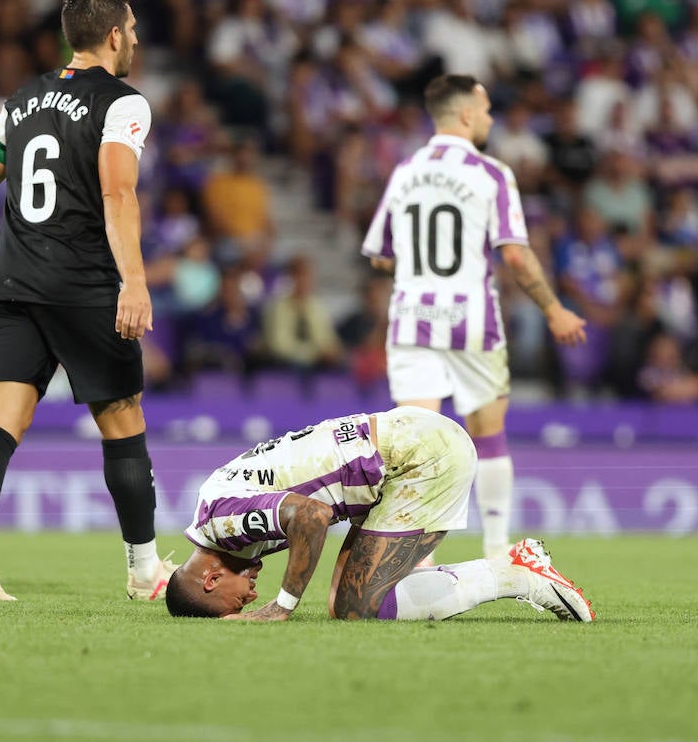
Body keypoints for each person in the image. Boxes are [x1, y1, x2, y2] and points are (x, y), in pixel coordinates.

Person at [0, 0, 174, 602]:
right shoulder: (124, 104)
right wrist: (135, 280)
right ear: (111, 35)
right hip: (83, 284)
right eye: (130, 30)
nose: (134, 39)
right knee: (122, 420)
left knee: (0, 422)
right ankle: (143, 570)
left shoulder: (18, 104)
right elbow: (118, 193)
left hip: (15, 281)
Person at [362, 75, 587, 561]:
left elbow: (380, 257)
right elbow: (515, 256)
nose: (489, 119)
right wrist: (554, 308)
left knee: (419, 443)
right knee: (488, 434)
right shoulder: (490, 173)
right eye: (485, 111)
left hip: (412, 320)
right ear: (465, 114)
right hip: (470, 320)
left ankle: (418, 560)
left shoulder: (405, 171)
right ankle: (495, 547)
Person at [165, 406, 594, 622]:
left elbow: (311, 517)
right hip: (402, 440)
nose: (250, 599)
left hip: (419, 456)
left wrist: (283, 605)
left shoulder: (220, 523)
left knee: (356, 606)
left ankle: (517, 574)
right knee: (344, 603)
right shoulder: (219, 512)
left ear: (210, 579)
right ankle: (509, 571)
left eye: (234, 605)